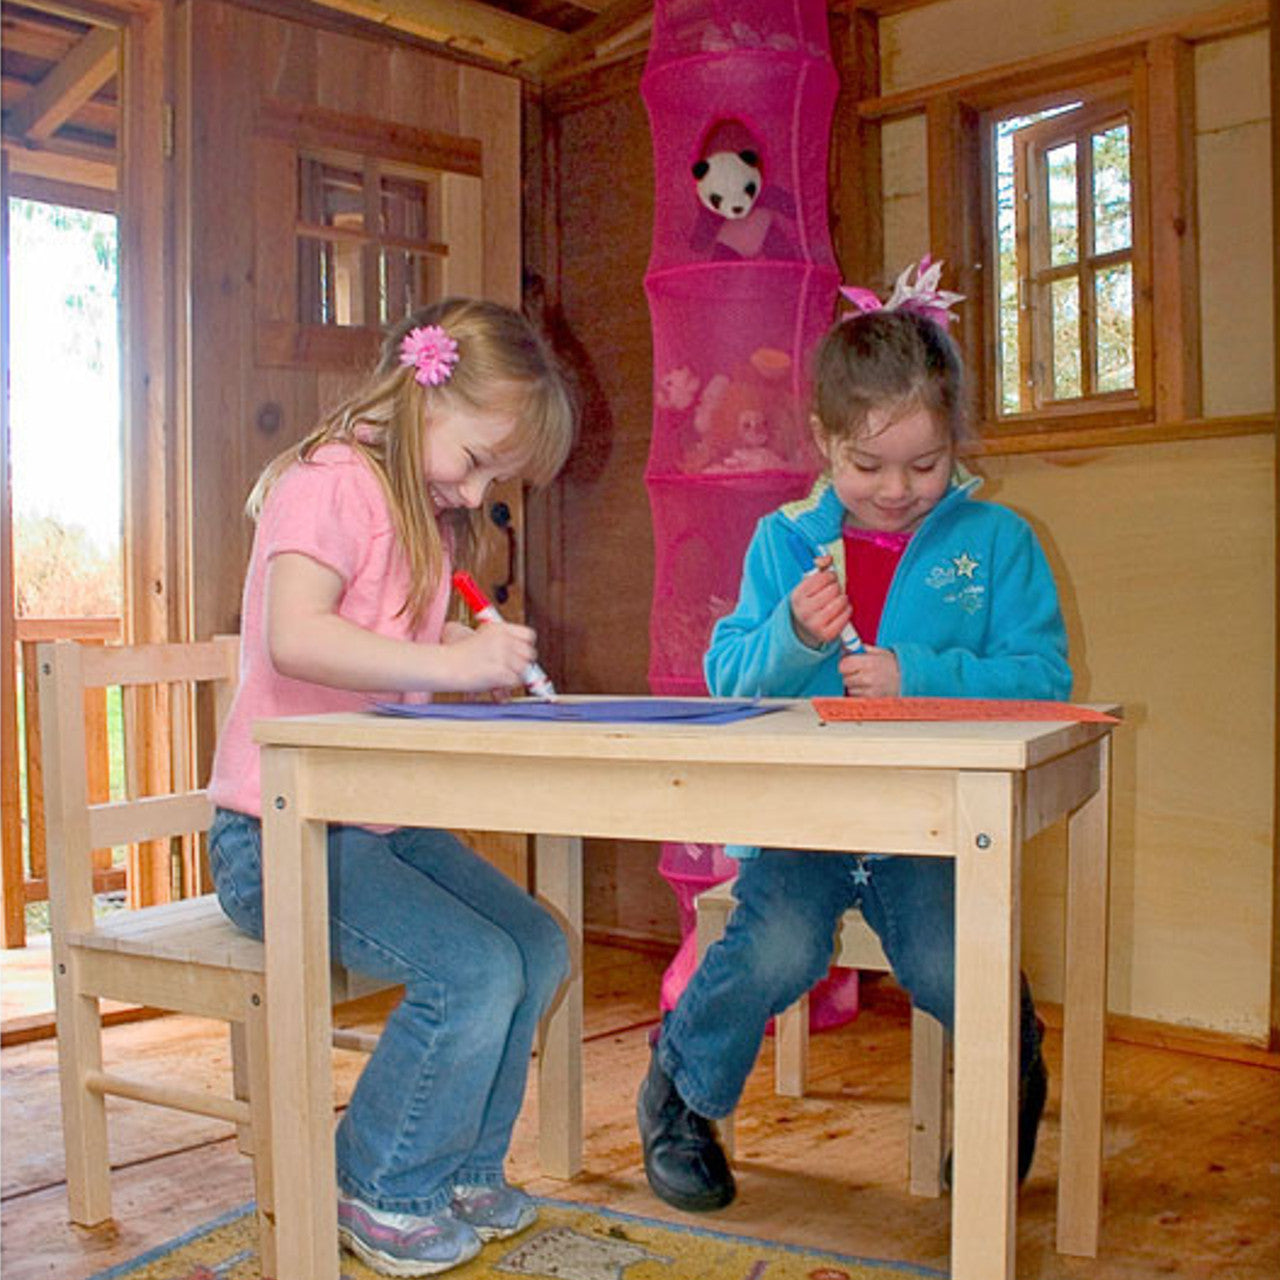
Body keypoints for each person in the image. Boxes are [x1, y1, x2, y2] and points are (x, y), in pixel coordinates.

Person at [636, 259, 1072, 1213]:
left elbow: (1044, 682)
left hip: (936, 822)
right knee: (778, 946)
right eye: (868, 466)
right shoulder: (784, 540)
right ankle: (679, 1094)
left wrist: (921, 675)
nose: (898, 489)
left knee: (948, 961)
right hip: (808, 816)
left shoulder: (998, 543)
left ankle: (1010, 1075)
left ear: (955, 443)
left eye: (926, 465)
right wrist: (792, 635)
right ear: (824, 442)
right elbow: (726, 678)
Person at [207, 298, 576, 1276]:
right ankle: (376, 1181)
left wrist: (461, 653)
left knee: (537, 946)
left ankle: (455, 1168)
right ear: (423, 393)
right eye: (478, 460)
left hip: (366, 818)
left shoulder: (415, 509)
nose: (478, 490)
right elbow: (296, 636)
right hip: (277, 833)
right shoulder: (328, 482)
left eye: (496, 477)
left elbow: (387, 638)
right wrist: (452, 662)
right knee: (473, 970)